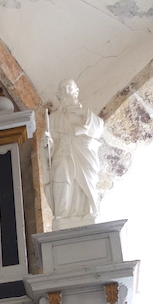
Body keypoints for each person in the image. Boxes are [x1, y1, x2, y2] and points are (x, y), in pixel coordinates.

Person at [42, 79, 104, 230]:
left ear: (76, 91)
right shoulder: (54, 117)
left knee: (83, 181)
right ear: (60, 94)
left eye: (70, 87)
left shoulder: (85, 113)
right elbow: (52, 138)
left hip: (82, 151)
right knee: (62, 176)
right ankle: (63, 215)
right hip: (63, 152)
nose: (67, 91)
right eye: (63, 89)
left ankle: (86, 210)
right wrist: (47, 144)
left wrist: (83, 114)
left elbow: (98, 129)